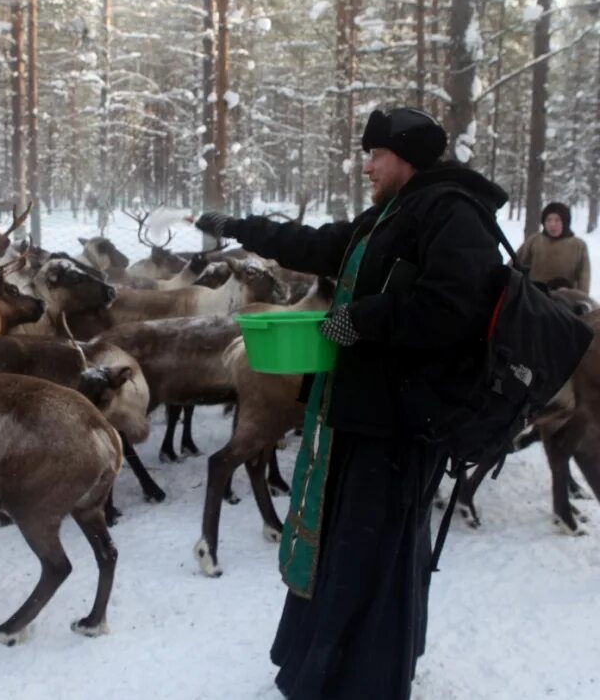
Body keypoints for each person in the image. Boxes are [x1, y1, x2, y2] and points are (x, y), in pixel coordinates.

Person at [196, 107, 509, 699]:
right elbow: (323, 245)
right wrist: (244, 227)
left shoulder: (452, 212)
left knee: (376, 552)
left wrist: (359, 320)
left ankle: (366, 682)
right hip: (361, 412)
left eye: (376, 155)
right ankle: (322, 667)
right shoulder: (393, 212)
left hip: (401, 423)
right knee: (346, 544)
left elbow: (456, 307)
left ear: (406, 158)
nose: (366, 166)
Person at [515, 201, 590, 293]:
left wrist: (582, 300)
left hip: (565, 299)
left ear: (565, 222)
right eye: (548, 220)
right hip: (534, 297)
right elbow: (515, 265)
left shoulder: (578, 245)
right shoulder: (534, 241)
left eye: (557, 220)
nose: (552, 224)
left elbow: (584, 278)